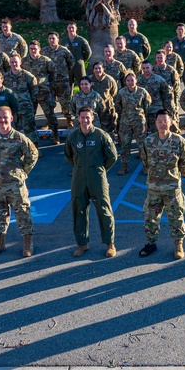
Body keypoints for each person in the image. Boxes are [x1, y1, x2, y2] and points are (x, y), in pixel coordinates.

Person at [0, 105, 39, 258]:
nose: (2, 120)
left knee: (22, 213)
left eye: (5, 117)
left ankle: (28, 244)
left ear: (11, 118)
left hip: (15, 185)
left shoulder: (19, 138)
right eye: (0, 117)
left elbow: (32, 155)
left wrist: (22, 171)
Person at [64, 106, 118, 258]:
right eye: (82, 117)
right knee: (78, 209)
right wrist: (79, 168)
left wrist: (99, 169)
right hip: (79, 176)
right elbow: (68, 155)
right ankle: (82, 244)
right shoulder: (73, 137)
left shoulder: (101, 135)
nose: (85, 120)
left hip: (97, 176)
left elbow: (112, 156)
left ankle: (110, 243)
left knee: (104, 209)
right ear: (78, 118)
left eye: (88, 117)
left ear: (92, 118)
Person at [139, 109, 185, 260]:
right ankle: (151, 243)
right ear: (155, 123)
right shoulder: (148, 141)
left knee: (176, 218)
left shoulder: (178, 141)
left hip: (172, 188)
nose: (162, 124)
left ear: (171, 122)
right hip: (153, 188)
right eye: (159, 121)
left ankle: (178, 243)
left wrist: (175, 176)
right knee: (150, 218)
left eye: (165, 121)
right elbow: (145, 160)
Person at [114, 71, 151, 175]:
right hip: (125, 123)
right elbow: (118, 106)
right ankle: (124, 166)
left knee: (142, 145)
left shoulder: (142, 92)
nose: (130, 82)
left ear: (136, 80)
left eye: (132, 80)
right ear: (125, 82)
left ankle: (145, 166)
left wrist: (141, 115)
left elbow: (147, 105)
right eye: (128, 80)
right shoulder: (121, 92)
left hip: (139, 122)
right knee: (125, 145)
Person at [23, 41, 58, 143]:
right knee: (30, 117)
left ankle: (55, 135)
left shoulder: (46, 61)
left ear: (39, 49)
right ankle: (31, 140)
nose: (33, 51)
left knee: (50, 115)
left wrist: (50, 86)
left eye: (35, 49)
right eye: (31, 49)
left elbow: (53, 73)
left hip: (44, 92)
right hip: (30, 93)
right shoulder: (24, 61)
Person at [44, 32, 76, 128]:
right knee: (49, 103)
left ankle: (69, 120)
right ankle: (49, 122)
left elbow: (71, 61)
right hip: (50, 81)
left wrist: (65, 72)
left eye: (53, 38)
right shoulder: (44, 50)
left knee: (65, 102)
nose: (51, 40)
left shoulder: (64, 50)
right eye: (50, 38)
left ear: (57, 40)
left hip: (62, 81)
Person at [5, 53, 39, 142]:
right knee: (12, 131)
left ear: (20, 62)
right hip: (12, 110)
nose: (14, 64)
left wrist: (29, 103)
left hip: (26, 108)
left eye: (16, 62)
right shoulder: (5, 77)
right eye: (12, 62)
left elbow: (34, 92)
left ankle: (34, 150)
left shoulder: (28, 76)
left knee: (30, 130)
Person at [64, 21, 92, 90]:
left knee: (82, 83)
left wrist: (81, 60)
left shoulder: (81, 40)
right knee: (68, 86)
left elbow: (88, 52)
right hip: (67, 67)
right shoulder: (64, 41)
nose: (71, 29)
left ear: (76, 28)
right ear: (67, 29)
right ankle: (69, 100)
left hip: (78, 66)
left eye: (72, 28)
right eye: (69, 28)